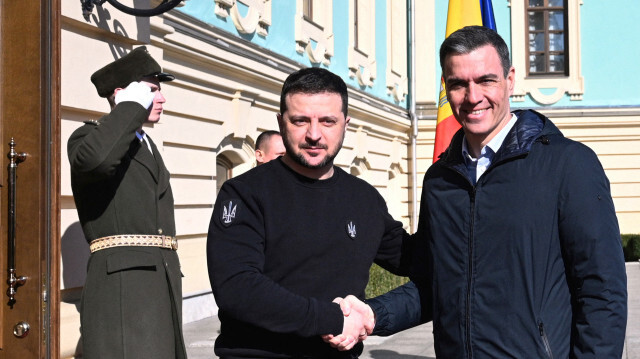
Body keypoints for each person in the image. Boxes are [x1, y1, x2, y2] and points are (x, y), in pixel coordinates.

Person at [332, 25, 628, 358]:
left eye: (486, 80)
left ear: (510, 79)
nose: (473, 97)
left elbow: (603, 293)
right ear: (446, 87)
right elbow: (437, 287)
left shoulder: (568, 165)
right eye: (459, 84)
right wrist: (373, 314)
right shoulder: (440, 181)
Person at [207, 67, 413, 358]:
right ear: (281, 123)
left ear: (345, 123)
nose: (314, 135)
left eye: (328, 121)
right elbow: (237, 288)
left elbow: (415, 258)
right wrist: (331, 319)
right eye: (300, 121)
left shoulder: (364, 198)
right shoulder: (244, 193)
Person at [67, 46, 187, 359]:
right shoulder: (88, 137)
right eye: (151, 91)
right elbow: (96, 162)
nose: (160, 98)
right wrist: (129, 108)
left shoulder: (144, 144)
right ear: (123, 95)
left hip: (158, 279)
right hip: (124, 283)